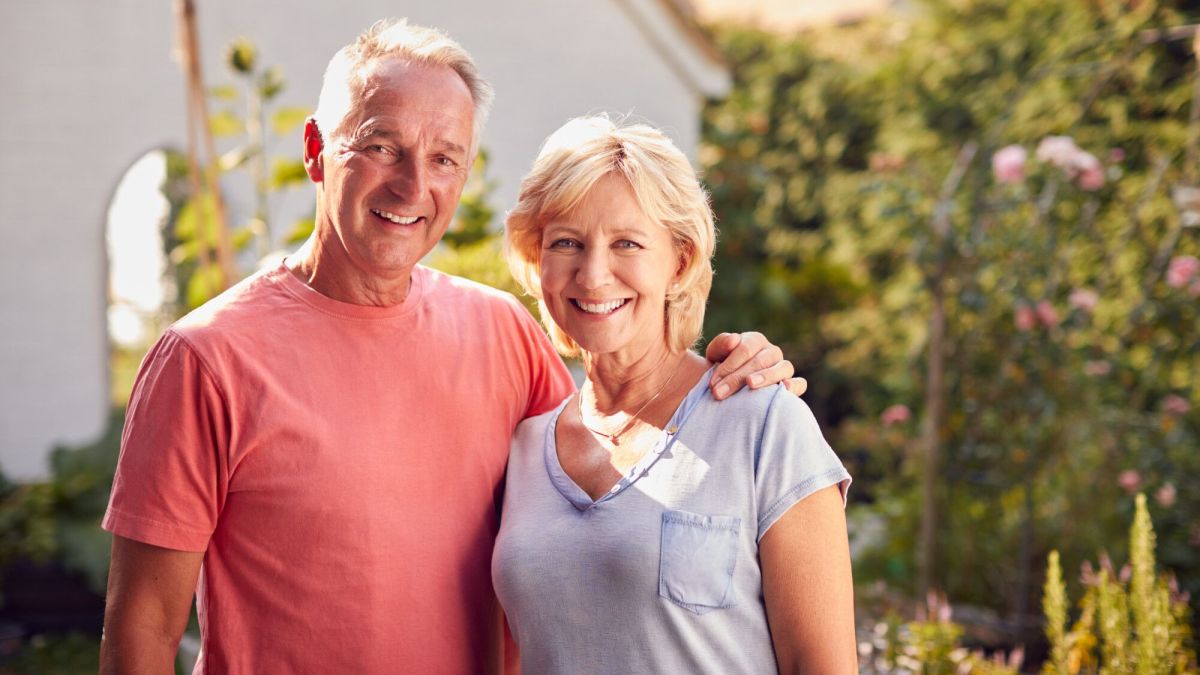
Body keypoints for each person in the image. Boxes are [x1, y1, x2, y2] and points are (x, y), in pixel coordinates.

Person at [99, 19, 800, 674]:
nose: (413, 184)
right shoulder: (205, 360)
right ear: (315, 150)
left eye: (444, 158)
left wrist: (738, 375)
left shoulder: (503, 334)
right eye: (381, 147)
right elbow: (143, 630)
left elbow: (616, 479)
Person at [494, 116, 857, 674]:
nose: (593, 276)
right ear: (537, 258)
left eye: (627, 243)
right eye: (567, 242)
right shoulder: (522, 447)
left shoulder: (764, 426)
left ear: (680, 261)